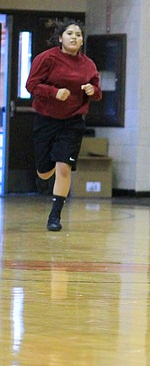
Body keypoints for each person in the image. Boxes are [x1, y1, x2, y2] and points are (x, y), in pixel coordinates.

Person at [25, 19, 102, 231]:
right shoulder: (47, 58)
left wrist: (92, 91)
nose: (74, 37)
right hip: (46, 119)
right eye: (70, 33)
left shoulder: (88, 65)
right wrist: (54, 92)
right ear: (60, 38)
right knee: (45, 171)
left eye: (78, 34)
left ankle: (55, 216)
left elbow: (97, 91)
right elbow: (31, 84)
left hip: (73, 121)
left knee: (64, 167)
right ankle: (43, 174)